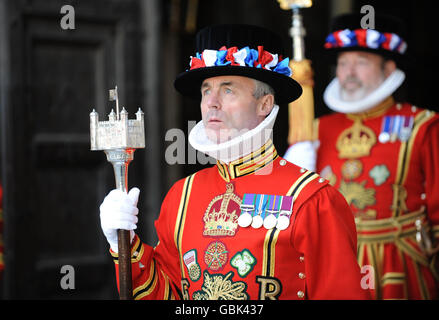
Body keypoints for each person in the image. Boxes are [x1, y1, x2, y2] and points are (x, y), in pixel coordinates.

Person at [99, 24, 370, 300]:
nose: (212, 103)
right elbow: (165, 294)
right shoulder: (181, 196)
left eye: (228, 90)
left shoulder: (313, 199)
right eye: (206, 90)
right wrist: (125, 245)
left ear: (265, 104)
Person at [284, 13, 439, 299]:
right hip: (336, 262)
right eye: (343, 63)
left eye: (361, 62)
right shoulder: (316, 129)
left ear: (390, 68)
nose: (349, 72)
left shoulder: (422, 125)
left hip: (401, 263)